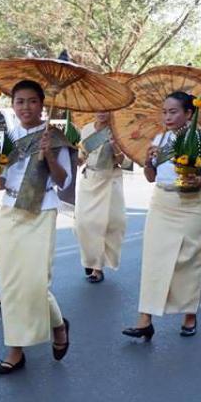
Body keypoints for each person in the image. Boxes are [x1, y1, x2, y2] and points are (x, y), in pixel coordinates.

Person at [0, 80, 74, 375]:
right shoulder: (8, 137)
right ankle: (16, 349)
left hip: (41, 211)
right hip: (10, 209)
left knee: (35, 282)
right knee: (11, 283)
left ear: (42, 104)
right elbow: (2, 179)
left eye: (32, 101)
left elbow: (64, 181)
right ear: (13, 105)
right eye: (19, 101)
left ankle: (58, 326)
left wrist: (49, 155)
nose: (26, 107)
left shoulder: (55, 137)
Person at [123, 91, 201, 340]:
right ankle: (145, 319)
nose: (167, 117)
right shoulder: (160, 138)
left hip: (192, 206)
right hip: (162, 205)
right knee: (154, 262)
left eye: (173, 112)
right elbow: (151, 178)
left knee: (189, 263)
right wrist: (148, 162)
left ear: (189, 113)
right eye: (165, 112)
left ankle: (189, 315)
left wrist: (195, 180)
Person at [73, 111, 126, 283]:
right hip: (89, 180)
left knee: (104, 225)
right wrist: (71, 156)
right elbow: (82, 156)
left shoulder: (117, 131)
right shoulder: (87, 129)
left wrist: (115, 147)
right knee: (82, 224)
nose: (102, 113)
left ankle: (97, 267)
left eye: (106, 110)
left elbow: (124, 162)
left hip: (109, 181)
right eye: (99, 109)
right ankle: (90, 258)